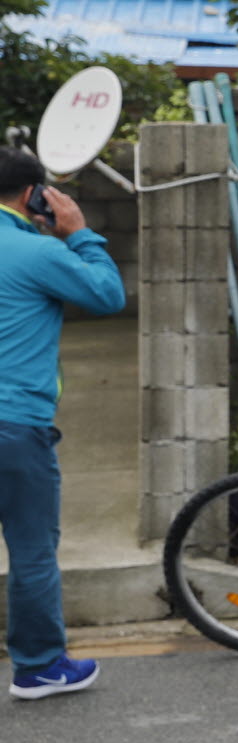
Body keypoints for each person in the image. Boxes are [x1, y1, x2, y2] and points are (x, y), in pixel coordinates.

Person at [0, 147, 124, 702]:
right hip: (14, 426)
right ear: (33, 196)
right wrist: (77, 231)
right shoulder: (34, 252)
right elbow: (107, 293)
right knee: (30, 548)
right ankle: (39, 666)